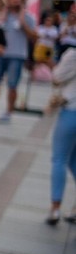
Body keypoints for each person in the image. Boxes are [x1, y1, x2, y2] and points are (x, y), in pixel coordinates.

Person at [0, 0, 37, 123]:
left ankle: (9, 112)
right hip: (1, 53)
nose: (14, 1)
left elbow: (34, 37)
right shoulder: (3, 15)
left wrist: (23, 24)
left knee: (12, 84)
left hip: (17, 54)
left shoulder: (28, 17)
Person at [47, 47, 76, 225]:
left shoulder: (72, 55)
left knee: (59, 159)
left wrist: (50, 62)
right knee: (73, 161)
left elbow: (57, 77)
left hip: (71, 111)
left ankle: (55, 208)